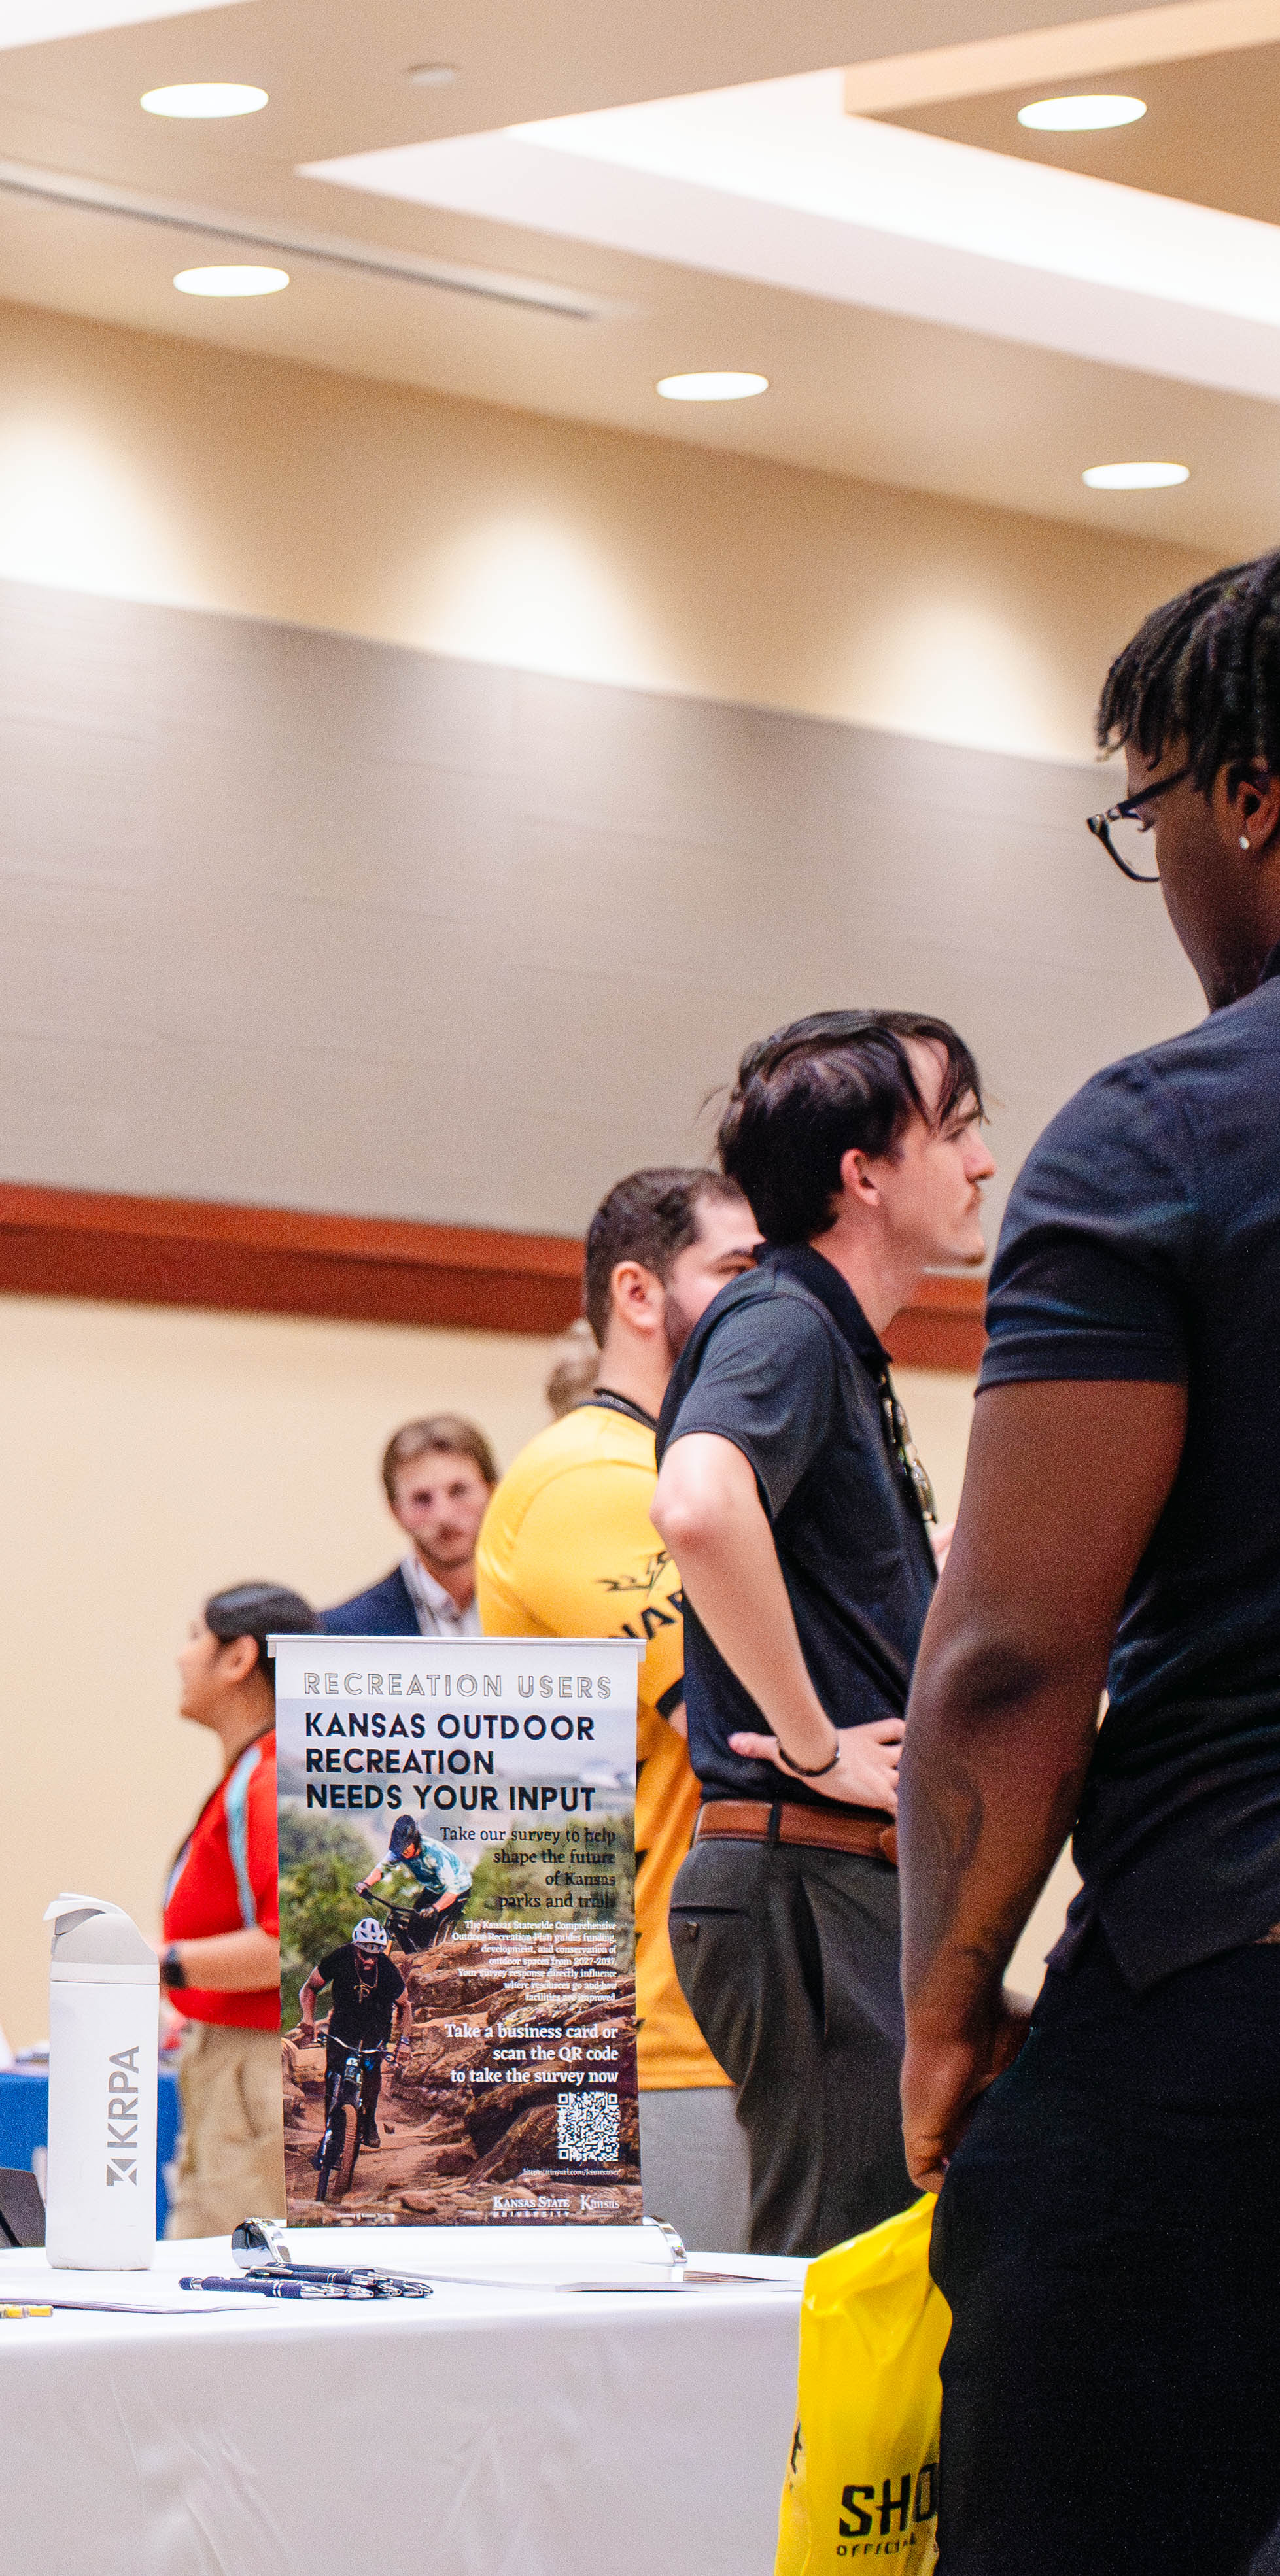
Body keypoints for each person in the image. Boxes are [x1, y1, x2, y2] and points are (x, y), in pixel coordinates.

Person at [909, 555, 1280, 2573]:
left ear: (1247, 792)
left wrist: (947, 2000)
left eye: (1142, 817)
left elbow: (1004, 1658)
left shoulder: (1171, 1129)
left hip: (1230, 1990)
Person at [652, 1010, 992, 2257]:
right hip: (800, 1866)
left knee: (874, 2259)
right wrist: (807, 1739)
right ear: (862, 1172)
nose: (979, 1163)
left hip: (839, 1880)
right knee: (832, 2274)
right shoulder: (783, 1321)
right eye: (953, 1130)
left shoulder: (824, 1341)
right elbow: (695, 1503)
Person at [476, 1166, 763, 2248]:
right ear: (638, 1294)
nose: (763, 1300)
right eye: (735, 1270)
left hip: (722, 2015)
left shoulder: (685, 1467)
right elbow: (741, 1727)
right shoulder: (592, 1477)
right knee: (700, 2400)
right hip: (652, 2032)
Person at [156, 1582, 316, 2239]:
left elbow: (290, 1948)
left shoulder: (267, 1776)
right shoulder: (257, 1770)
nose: (179, 1657)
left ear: (237, 1658)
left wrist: (159, 1965)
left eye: (194, 1636)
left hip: (255, 2071)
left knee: (220, 2278)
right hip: (237, 2063)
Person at [319, 1418, 496, 1638]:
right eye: (422, 1499)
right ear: (396, 1511)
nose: (443, 1515)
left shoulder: (539, 1610)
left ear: (492, 1492)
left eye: (459, 1491)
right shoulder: (342, 1635)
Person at [299, 1913, 409, 2181]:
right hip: (343, 2027)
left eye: (375, 1954)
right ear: (355, 1948)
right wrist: (308, 2018)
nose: (370, 1960)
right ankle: (329, 2134)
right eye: (364, 1954)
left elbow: (406, 2006)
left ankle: (368, 2119)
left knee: (371, 2074)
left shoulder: (387, 1970)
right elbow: (310, 1988)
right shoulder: (340, 1957)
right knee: (332, 2077)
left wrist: (404, 2042)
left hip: (375, 2030)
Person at [358, 1813, 471, 1951]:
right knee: (414, 1928)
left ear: (415, 1841)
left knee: (432, 1926)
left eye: (406, 1848)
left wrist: (435, 1908)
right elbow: (383, 1868)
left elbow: (453, 1891)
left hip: (457, 1889)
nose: (403, 1853)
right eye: (399, 1849)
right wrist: (366, 1884)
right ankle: (413, 1957)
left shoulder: (435, 1855)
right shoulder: (399, 1850)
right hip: (434, 1888)